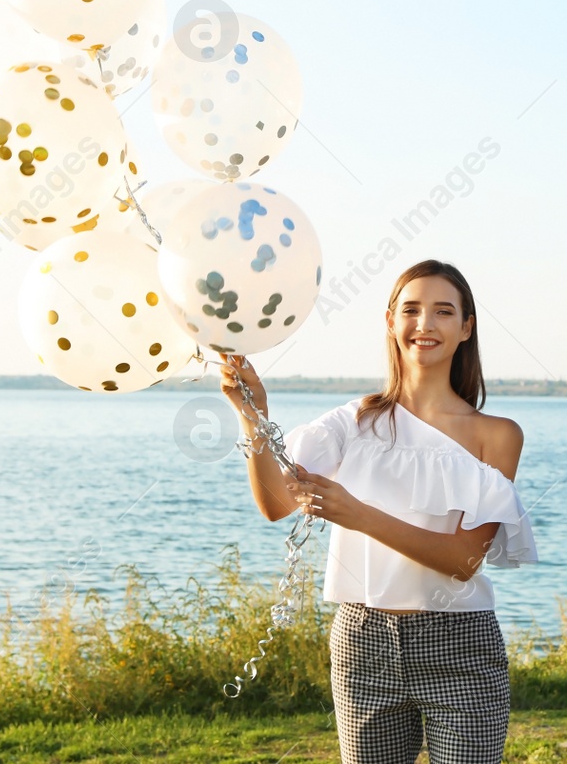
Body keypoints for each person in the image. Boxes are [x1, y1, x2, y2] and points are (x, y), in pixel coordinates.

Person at [221, 258, 538, 764]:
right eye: (411, 310)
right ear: (390, 321)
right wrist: (251, 415)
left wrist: (357, 513)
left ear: (465, 327)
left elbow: (462, 560)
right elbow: (275, 504)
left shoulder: (497, 435)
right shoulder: (353, 422)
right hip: (361, 643)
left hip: (459, 644)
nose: (425, 324)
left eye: (442, 311)